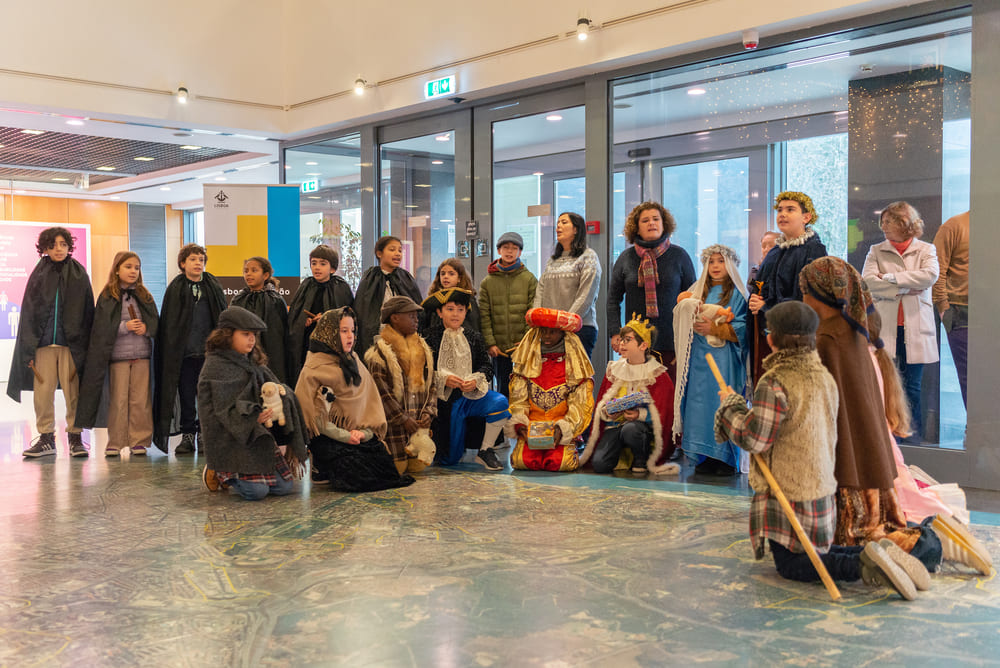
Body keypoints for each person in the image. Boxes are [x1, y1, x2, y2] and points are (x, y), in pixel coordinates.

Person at [713, 300, 929, 599]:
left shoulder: (775, 382)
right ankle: (878, 555)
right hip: (821, 489)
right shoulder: (824, 377)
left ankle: (866, 567)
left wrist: (731, 408)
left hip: (789, 495)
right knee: (817, 550)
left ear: (771, 338)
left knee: (794, 564)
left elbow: (754, 438)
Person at [799, 257, 938, 569]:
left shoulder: (825, 338)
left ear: (820, 293)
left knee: (856, 527)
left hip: (844, 447)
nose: (802, 298)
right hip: (866, 442)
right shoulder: (853, 329)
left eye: (805, 290)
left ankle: (875, 543)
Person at [294, 307, 415, 492]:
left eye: (352, 330)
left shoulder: (355, 362)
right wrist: (346, 436)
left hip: (358, 434)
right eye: (343, 331)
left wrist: (364, 433)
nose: (350, 336)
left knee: (385, 467)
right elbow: (314, 419)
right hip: (329, 436)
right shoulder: (314, 369)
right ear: (330, 333)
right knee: (353, 474)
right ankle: (322, 468)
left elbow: (369, 405)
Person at [200, 307, 309, 500]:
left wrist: (280, 398)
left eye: (254, 335)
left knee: (284, 487)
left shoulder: (253, 363)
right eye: (245, 334)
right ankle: (218, 470)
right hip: (230, 440)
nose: (251, 339)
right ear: (227, 334)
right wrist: (252, 416)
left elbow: (274, 386)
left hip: (257, 436)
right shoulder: (216, 366)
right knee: (256, 492)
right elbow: (221, 410)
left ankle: (246, 474)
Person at [9, 226, 95, 457]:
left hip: (71, 345)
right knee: (42, 394)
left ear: (69, 247)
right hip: (43, 345)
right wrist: (30, 343)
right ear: (45, 247)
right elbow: (29, 310)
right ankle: (46, 438)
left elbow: (87, 310)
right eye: (54, 245)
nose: (59, 249)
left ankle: (76, 438)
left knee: (73, 392)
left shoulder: (79, 273)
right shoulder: (39, 273)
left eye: (63, 244)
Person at [862, 202, 939, 443]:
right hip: (887, 329)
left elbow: (929, 277)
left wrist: (891, 278)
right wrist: (905, 288)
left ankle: (912, 438)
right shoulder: (876, 250)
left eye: (889, 221)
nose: (883, 226)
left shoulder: (926, 250)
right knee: (886, 385)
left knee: (913, 388)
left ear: (905, 224)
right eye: (882, 221)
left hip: (915, 328)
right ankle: (890, 439)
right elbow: (867, 282)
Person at [673, 244, 748, 476]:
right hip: (698, 358)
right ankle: (703, 455)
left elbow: (743, 326)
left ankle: (725, 457)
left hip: (724, 358)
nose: (715, 266)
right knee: (698, 404)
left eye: (720, 261)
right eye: (711, 262)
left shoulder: (737, 293)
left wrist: (716, 329)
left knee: (721, 403)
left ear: (731, 264)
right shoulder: (696, 294)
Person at [77, 251, 159, 457]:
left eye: (136, 268)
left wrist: (146, 329)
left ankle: (139, 440)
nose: (133, 271)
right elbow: (102, 328)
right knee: (118, 400)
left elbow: (156, 323)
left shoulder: (145, 296)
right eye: (128, 267)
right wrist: (124, 326)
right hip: (118, 358)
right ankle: (116, 441)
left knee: (141, 400)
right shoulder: (107, 296)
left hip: (141, 355)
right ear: (117, 269)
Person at [423, 288, 510, 471]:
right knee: (449, 460)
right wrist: (443, 380)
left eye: (460, 310)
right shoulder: (429, 338)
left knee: (500, 402)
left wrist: (476, 380)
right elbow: (422, 371)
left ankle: (485, 450)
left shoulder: (474, 337)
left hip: (471, 396)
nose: (456, 314)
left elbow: (486, 367)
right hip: (445, 402)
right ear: (439, 312)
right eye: (450, 309)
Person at [581, 315, 679, 475]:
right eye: (621, 339)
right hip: (615, 426)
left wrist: (640, 415)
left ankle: (641, 459)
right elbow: (601, 405)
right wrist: (608, 413)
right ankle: (618, 456)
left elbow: (665, 415)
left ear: (643, 345)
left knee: (631, 430)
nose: (621, 344)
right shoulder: (614, 370)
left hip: (641, 429)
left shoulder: (657, 374)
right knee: (599, 465)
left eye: (627, 340)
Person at [154, 243, 227, 455]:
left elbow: (221, 316)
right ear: (182, 263)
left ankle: (205, 435)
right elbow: (169, 323)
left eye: (201, 260)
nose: (198, 263)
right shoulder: (176, 287)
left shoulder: (212, 285)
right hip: (184, 355)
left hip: (209, 355)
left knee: (207, 396)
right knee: (186, 396)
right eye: (193, 259)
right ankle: (188, 436)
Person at [747, 192, 827, 382]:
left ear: (806, 217)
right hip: (769, 333)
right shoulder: (775, 251)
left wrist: (766, 308)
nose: (782, 214)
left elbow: (808, 298)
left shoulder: (814, 250)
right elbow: (761, 287)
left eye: (790, 209)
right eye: (780, 210)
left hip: (795, 338)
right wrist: (755, 299)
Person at [608, 201, 695, 371]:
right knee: (636, 395)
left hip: (673, 343)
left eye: (656, 219)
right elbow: (612, 300)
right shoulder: (626, 258)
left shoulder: (680, 256)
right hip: (635, 344)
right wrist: (615, 332)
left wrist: (690, 339)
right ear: (636, 227)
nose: (652, 223)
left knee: (668, 395)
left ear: (664, 224)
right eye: (645, 220)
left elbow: (693, 299)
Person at [507, 308, 594, 472]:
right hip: (531, 427)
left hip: (559, 427)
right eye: (543, 331)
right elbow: (518, 399)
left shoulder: (574, 366)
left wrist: (563, 430)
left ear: (563, 334)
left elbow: (579, 406)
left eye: (552, 332)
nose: (547, 336)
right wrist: (522, 428)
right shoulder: (527, 363)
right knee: (522, 462)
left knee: (559, 463)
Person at [364, 296, 438, 475]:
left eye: (416, 316)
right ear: (395, 318)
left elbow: (432, 384)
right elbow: (382, 393)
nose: (416, 320)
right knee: (396, 468)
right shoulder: (380, 354)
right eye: (411, 316)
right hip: (393, 430)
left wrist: (429, 411)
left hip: (418, 429)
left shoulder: (423, 349)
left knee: (417, 466)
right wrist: (402, 418)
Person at [534, 212, 602, 357]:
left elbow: (586, 295)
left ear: (576, 229)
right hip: (550, 331)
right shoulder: (552, 260)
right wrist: (537, 317)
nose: (558, 226)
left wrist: (566, 323)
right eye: (558, 223)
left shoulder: (588, 256)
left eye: (564, 222)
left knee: (575, 378)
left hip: (579, 329)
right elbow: (541, 290)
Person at [479, 231, 537, 398]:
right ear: (499, 251)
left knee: (525, 389)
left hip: (522, 347)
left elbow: (533, 312)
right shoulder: (487, 282)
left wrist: (526, 341)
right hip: (499, 350)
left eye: (514, 248)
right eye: (506, 247)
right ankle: (504, 424)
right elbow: (484, 315)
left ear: (520, 252)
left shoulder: (529, 279)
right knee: (503, 389)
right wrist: (490, 343)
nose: (510, 251)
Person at [287, 244, 354, 380]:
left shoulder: (341, 287)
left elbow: (349, 316)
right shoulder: (306, 286)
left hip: (331, 346)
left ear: (333, 268)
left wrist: (327, 319)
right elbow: (296, 316)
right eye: (314, 263)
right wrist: (303, 322)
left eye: (322, 264)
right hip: (308, 343)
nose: (317, 267)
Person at [354, 236, 422, 354]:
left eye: (400, 250)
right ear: (379, 253)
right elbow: (363, 311)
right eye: (392, 249)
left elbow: (417, 307)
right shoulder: (370, 278)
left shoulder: (406, 278)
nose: (397, 254)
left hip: (404, 336)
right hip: (379, 337)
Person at [231, 256, 294, 385]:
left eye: (254, 270)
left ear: (265, 275)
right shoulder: (239, 299)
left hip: (272, 354)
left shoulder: (275, 300)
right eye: (246, 271)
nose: (248, 274)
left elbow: (279, 333)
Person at [932, 210, 969, 407]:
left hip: (990, 309)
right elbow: (937, 268)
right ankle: (972, 427)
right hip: (959, 310)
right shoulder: (955, 226)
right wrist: (943, 308)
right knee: (968, 374)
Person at [423, 258, 481, 333]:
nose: (446, 276)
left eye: (451, 274)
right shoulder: (434, 300)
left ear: (459, 278)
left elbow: (473, 326)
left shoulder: (467, 299)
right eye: (443, 273)